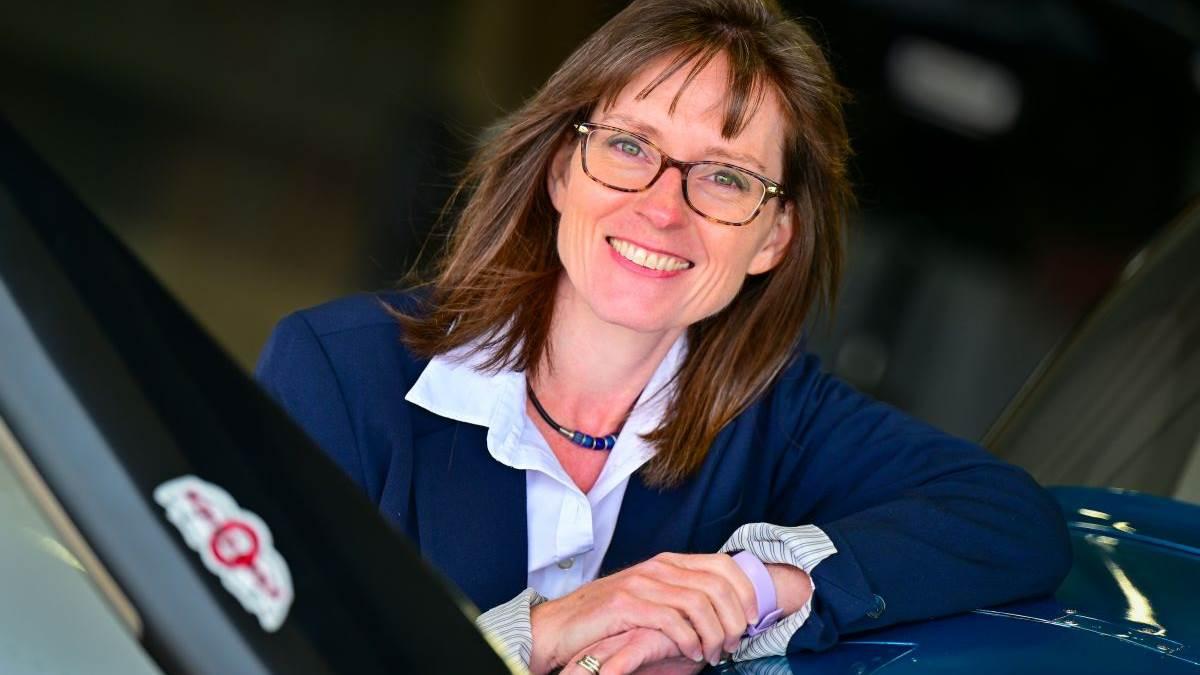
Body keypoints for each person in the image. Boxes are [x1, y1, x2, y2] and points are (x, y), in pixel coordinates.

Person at [254, 0, 1072, 673]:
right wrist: (548, 629)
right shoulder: (340, 372)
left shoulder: (774, 411)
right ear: (560, 170)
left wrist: (747, 588)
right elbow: (262, 647)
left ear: (774, 236)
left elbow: (1009, 519)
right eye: (630, 146)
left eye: (724, 176)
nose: (662, 207)